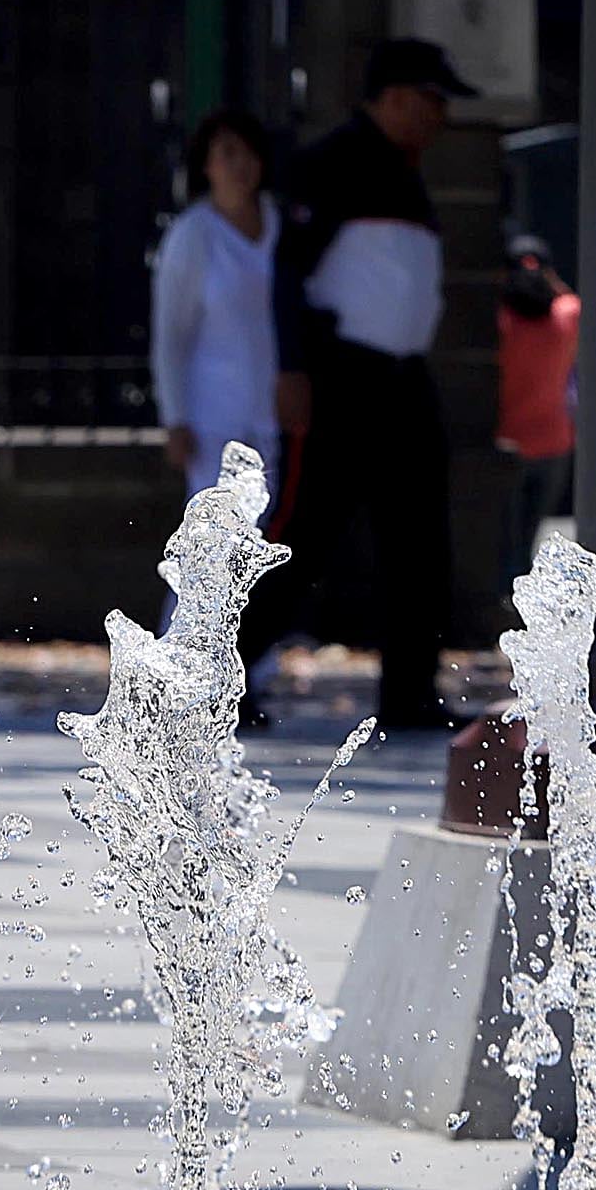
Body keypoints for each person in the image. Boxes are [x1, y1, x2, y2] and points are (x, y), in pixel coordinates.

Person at [263, 38, 471, 731]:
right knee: (302, 536)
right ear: (392, 98)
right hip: (340, 373)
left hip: (401, 376)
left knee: (420, 543)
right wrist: (292, 367)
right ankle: (210, 683)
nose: (439, 115)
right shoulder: (332, 163)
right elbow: (289, 270)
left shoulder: (405, 173)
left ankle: (409, 692)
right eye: (430, 99)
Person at [150, 109, 281, 502]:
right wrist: (175, 419)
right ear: (206, 165)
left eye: (250, 153)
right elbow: (171, 335)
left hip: (278, 418)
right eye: (228, 153)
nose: (241, 164)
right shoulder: (192, 237)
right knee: (221, 546)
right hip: (214, 423)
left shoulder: (283, 224)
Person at [492, 231, 578, 592]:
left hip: (507, 442)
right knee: (527, 536)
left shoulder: (499, 322)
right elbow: (566, 295)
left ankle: (505, 604)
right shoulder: (568, 315)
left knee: (503, 538)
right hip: (554, 442)